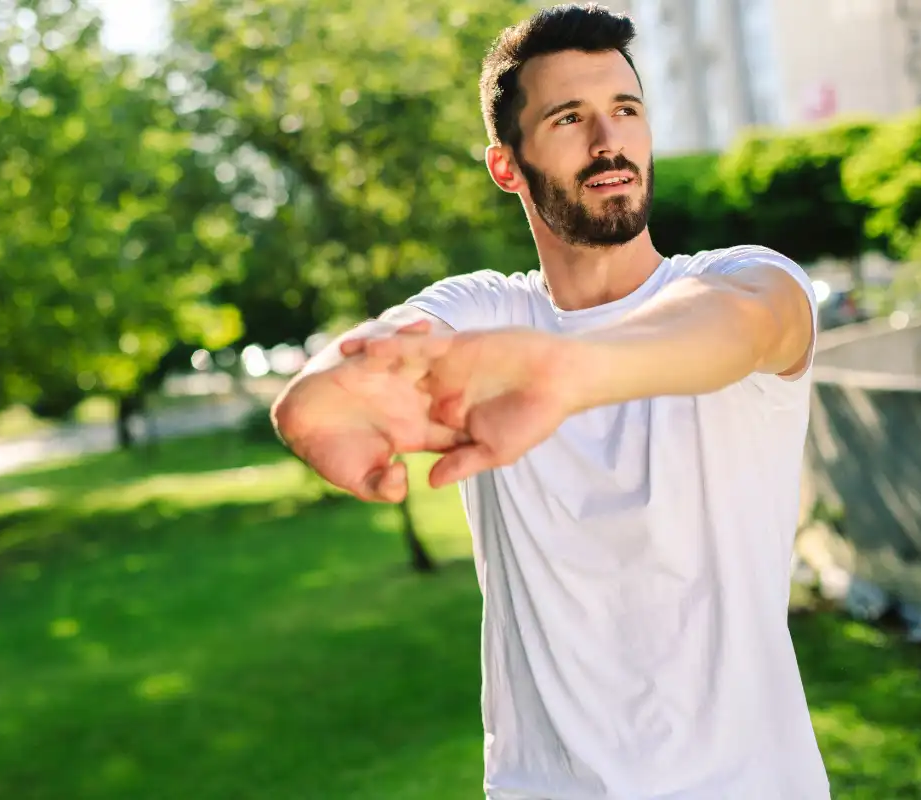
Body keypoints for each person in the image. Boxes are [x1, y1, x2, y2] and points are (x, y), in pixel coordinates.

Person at [271, 4, 831, 798]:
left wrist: (566, 369)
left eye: (626, 110)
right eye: (569, 118)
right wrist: (326, 398)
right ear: (507, 166)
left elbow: (742, 326)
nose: (608, 142)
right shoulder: (482, 310)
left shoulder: (746, 280)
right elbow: (349, 373)